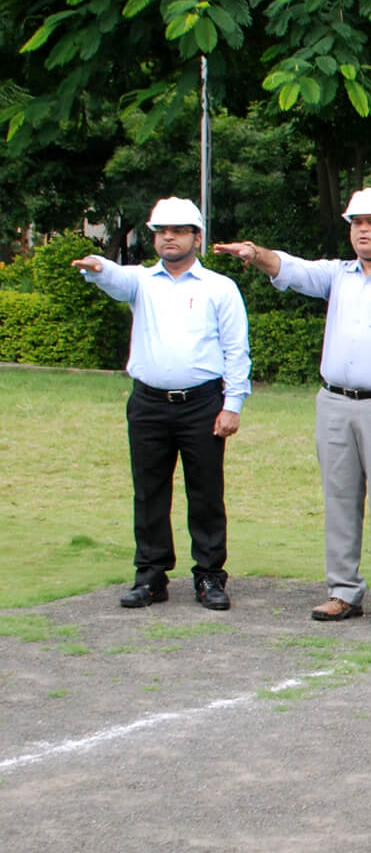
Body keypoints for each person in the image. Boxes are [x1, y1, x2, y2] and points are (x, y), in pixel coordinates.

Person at [216, 189, 371, 627]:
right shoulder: (339, 275)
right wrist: (257, 254)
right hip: (335, 402)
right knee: (339, 497)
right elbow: (293, 269)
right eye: (356, 222)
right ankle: (343, 591)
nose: (362, 230)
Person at [74, 197, 249, 611]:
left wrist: (233, 404)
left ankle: (209, 576)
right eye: (160, 231)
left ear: (197, 237)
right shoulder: (142, 281)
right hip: (148, 403)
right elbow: (114, 278)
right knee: (149, 491)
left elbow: (236, 350)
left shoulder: (219, 288)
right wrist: (98, 267)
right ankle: (150, 576)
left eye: (178, 230)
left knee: (205, 492)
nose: (168, 237)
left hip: (202, 402)